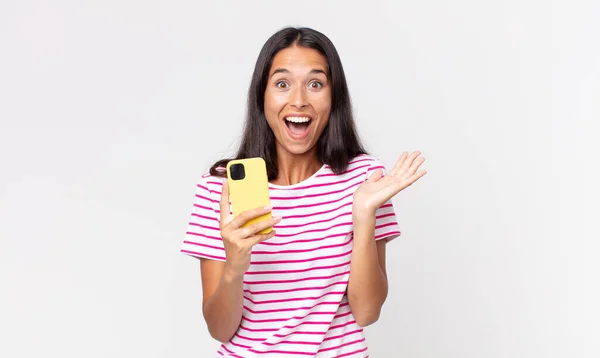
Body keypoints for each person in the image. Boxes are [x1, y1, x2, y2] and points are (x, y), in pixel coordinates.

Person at [181, 26, 426, 357]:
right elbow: (219, 328)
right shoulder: (218, 189)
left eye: (315, 84)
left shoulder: (365, 180)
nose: (299, 100)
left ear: (333, 96)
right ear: (262, 96)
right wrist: (235, 266)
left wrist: (363, 215)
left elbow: (367, 313)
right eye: (282, 84)